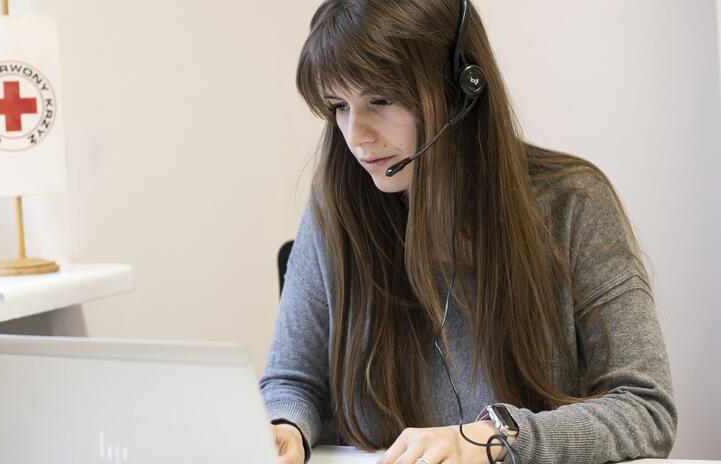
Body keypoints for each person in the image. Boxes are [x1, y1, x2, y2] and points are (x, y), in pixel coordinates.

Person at [260, 0, 677, 463]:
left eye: (380, 99)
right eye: (339, 106)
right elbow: (292, 382)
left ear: (462, 86)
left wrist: (496, 438)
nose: (356, 135)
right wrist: (286, 427)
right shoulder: (335, 208)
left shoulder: (572, 203)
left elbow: (647, 409)